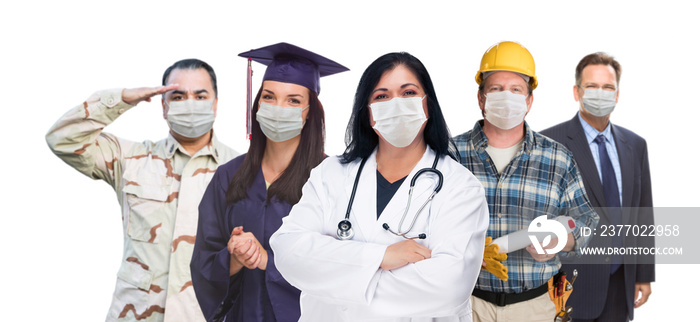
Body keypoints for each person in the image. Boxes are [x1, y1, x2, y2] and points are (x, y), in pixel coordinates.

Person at [270, 52, 489, 321]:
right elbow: (288, 251)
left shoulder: (461, 187)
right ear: (369, 112)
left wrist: (331, 274)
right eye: (382, 96)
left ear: (427, 104)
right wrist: (381, 257)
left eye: (408, 93)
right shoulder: (331, 173)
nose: (395, 104)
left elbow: (448, 287)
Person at [46, 59, 238, 321]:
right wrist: (122, 98)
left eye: (200, 95)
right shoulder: (131, 159)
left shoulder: (242, 171)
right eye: (178, 96)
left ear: (215, 103)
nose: (190, 102)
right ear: (164, 105)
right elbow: (62, 139)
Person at [189, 42, 349, 322]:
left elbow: (344, 266)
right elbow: (203, 261)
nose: (279, 108)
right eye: (269, 97)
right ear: (258, 103)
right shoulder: (228, 176)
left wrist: (269, 262)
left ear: (310, 110)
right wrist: (233, 259)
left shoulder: (334, 177)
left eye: (294, 100)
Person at [452, 41, 599, 322]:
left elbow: (587, 223)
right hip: (464, 305)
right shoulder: (450, 155)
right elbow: (420, 226)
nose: (506, 96)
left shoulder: (557, 158)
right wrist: (465, 250)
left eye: (516, 89)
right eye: (495, 89)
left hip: (535, 308)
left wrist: (561, 239)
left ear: (529, 101)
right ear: (481, 98)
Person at [541, 52, 654, 322]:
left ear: (617, 94)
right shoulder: (549, 143)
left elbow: (642, 212)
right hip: (569, 283)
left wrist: (643, 274)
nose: (600, 93)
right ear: (576, 91)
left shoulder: (634, 145)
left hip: (620, 282)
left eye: (607, 87)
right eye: (591, 86)